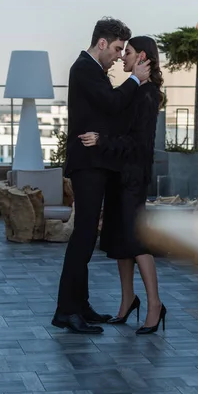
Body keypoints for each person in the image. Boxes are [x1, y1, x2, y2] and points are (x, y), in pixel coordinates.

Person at [52, 18, 151, 334]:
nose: (120, 56)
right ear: (103, 43)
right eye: (119, 48)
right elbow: (111, 103)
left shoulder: (94, 72)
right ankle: (67, 311)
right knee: (82, 237)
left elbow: (109, 113)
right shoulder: (83, 68)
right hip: (88, 165)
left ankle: (80, 306)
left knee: (86, 237)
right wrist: (135, 80)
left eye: (125, 50)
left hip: (97, 163)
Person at [79, 36, 166, 335]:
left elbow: (138, 142)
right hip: (119, 174)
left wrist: (102, 140)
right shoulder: (137, 89)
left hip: (132, 177)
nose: (123, 58)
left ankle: (154, 304)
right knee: (119, 241)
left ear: (141, 55)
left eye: (127, 53)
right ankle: (128, 300)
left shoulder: (148, 94)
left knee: (136, 241)